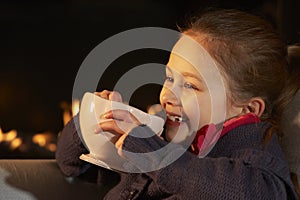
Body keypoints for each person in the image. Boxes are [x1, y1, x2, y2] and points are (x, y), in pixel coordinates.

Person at [56, 9, 300, 199]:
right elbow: (70, 164)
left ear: (247, 109)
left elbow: (258, 194)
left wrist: (154, 154)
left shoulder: (253, 146)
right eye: (170, 78)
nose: (167, 95)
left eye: (191, 86)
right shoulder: (157, 133)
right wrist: (94, 119)